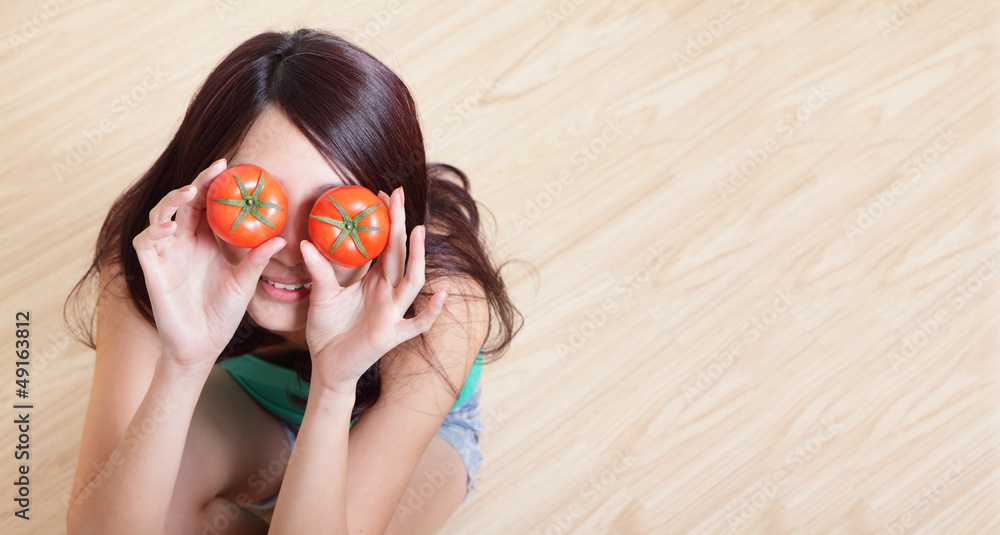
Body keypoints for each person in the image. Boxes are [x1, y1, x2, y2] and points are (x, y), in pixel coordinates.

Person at [63, 28, 521, 534]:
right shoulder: (158, 255)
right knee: (151, 502)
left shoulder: (441, 297)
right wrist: (183, 364)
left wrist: (335, 385)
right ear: (203, 185)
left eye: (335, 212)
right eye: (255, 199)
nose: (288, 252)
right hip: (258, 403)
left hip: (396, 422)